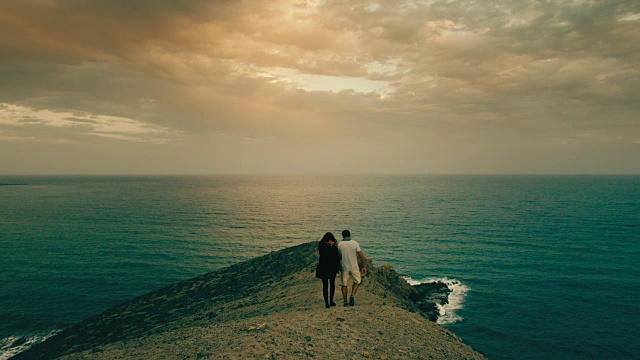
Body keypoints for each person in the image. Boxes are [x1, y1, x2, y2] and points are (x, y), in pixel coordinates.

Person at [337, 229, 367, 306]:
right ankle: (352, 294)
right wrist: (363, 266)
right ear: (350, 235)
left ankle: (345, 301)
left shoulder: (340, 244)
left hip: (344, 267)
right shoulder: (355, 243)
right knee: (357, 281)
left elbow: (338, 257)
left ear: (342, 235)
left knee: (344, 284)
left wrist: (337, 267)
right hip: (354, 266)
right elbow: (361, 256)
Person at [315, 232, 341, 308]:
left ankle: (326, 303)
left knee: (325, 285)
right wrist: (337, 268)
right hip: (332, 268)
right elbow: (337, 259)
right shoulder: (334, 248)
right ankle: (331, 301)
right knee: (332, 284)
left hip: (323, 268)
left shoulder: (321, 247)